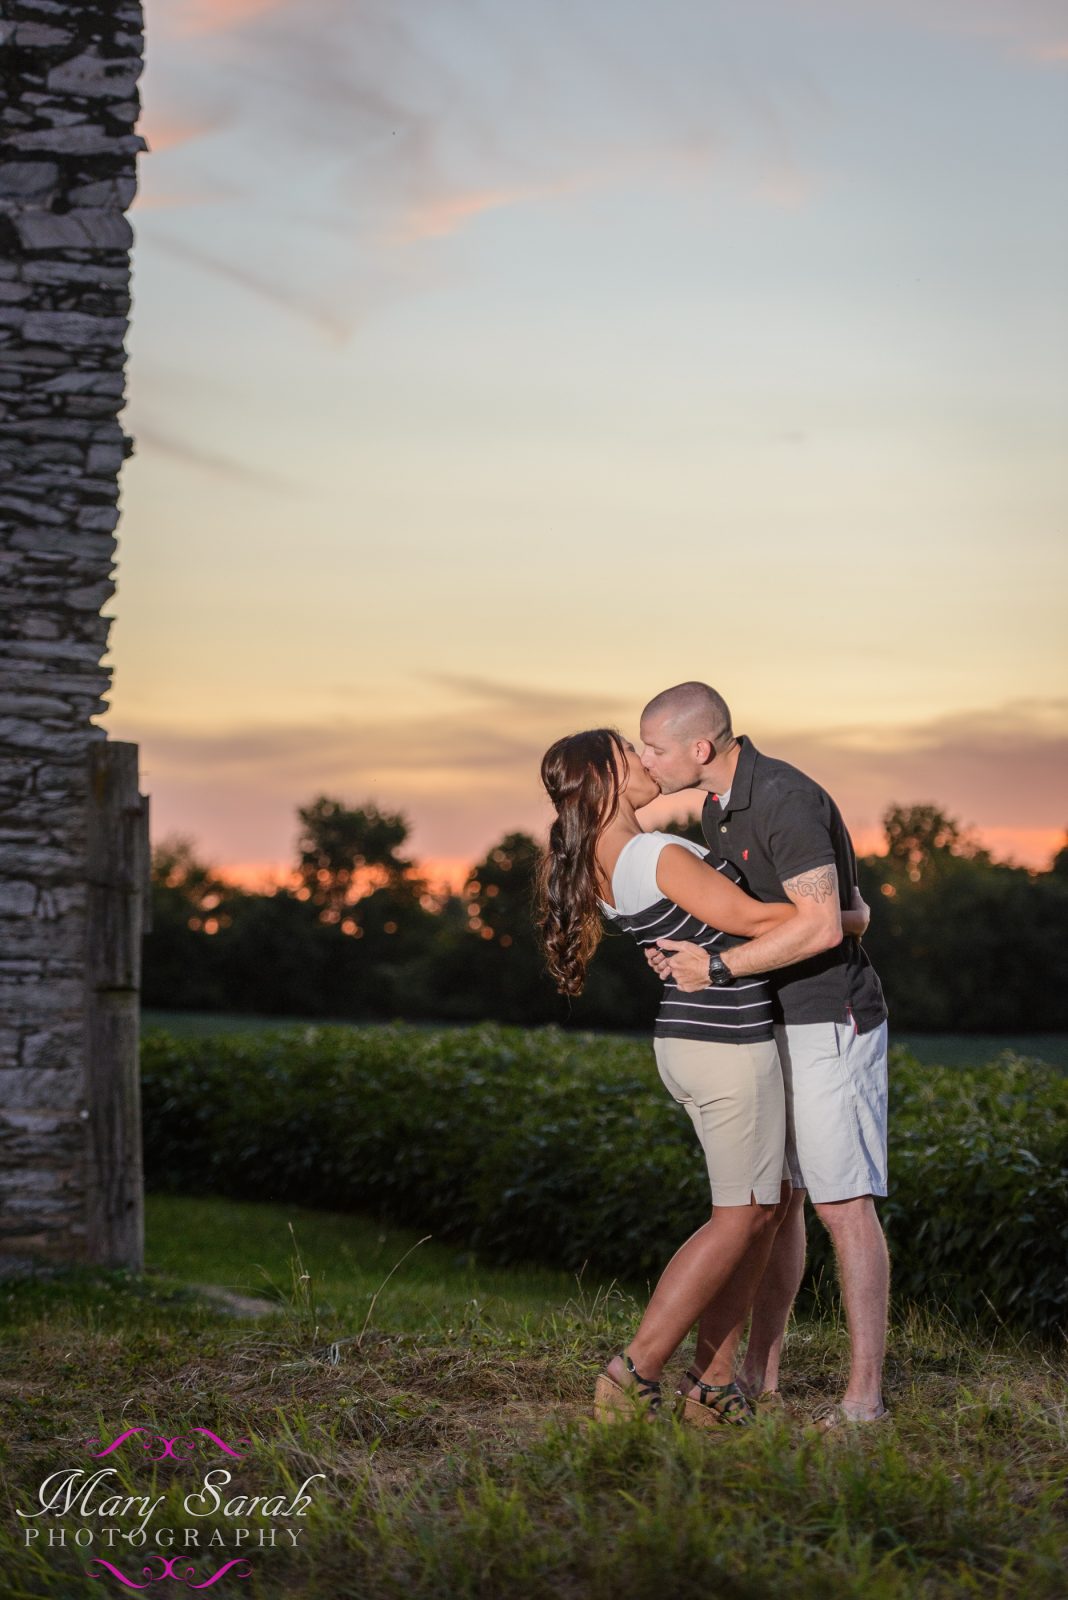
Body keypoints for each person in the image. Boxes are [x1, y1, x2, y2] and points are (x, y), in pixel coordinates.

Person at [537, 727, 870, 1426]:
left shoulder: (610, 857)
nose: (646, 759)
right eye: (632, 753)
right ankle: (635, 1370)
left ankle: (713, 1386)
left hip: (701, 1038)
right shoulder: (650, 852)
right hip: (724, 1045)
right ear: (603, 779)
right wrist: (844, 915)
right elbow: (751, 918)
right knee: (740, 1216)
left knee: (765, 1207)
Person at [639, 682, 890, 1428]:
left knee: (844, 1204)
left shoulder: (781, 796)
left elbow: (819, 929)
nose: (646, 762)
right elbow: (815, 914)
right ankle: (760, 1376)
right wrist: (689, 950)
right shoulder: (718, 807)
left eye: (654, 748)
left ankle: (864, 1399)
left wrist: (715, 969)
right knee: (780, 1202)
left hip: (828, 1018)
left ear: (700, 748)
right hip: (769, 1018)